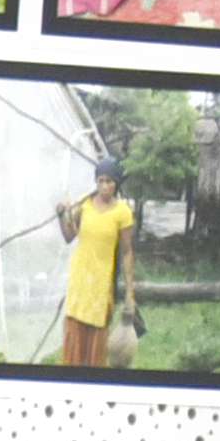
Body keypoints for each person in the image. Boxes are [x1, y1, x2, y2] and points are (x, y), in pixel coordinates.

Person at [57, 155, 140, 371]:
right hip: (80, 281)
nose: (104, 186)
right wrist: (61, 215)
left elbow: (127, 252)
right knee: (74, 339)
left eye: (109, 181)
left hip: (102, 284)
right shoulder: (84, 205)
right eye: (100, 181)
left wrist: (130, 291)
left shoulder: (122, 212)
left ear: (116, 184)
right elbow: (69, 236)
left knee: (96, 344)